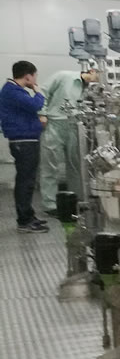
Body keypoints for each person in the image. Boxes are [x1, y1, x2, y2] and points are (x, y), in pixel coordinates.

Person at [39, 63, 97, 213]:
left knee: (76, 165)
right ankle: (50, 204)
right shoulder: (63, 76)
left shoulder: (93, 90)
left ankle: (76, 200)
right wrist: (42, 113)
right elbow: (42, 92)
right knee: (50, 165)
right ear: (92, 70)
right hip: (55, 123)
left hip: (76, 126)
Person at [0, 60, 48, 232]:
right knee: (25, 181)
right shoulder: (12, 91)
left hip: (26, 140)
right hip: (23, 141)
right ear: (28, 76)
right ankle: (24, 221)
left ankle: (28, 215)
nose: (35, 80)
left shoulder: (15, 91)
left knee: (28, 180)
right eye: (35, 76)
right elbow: (36, 104)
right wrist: (38, 91)